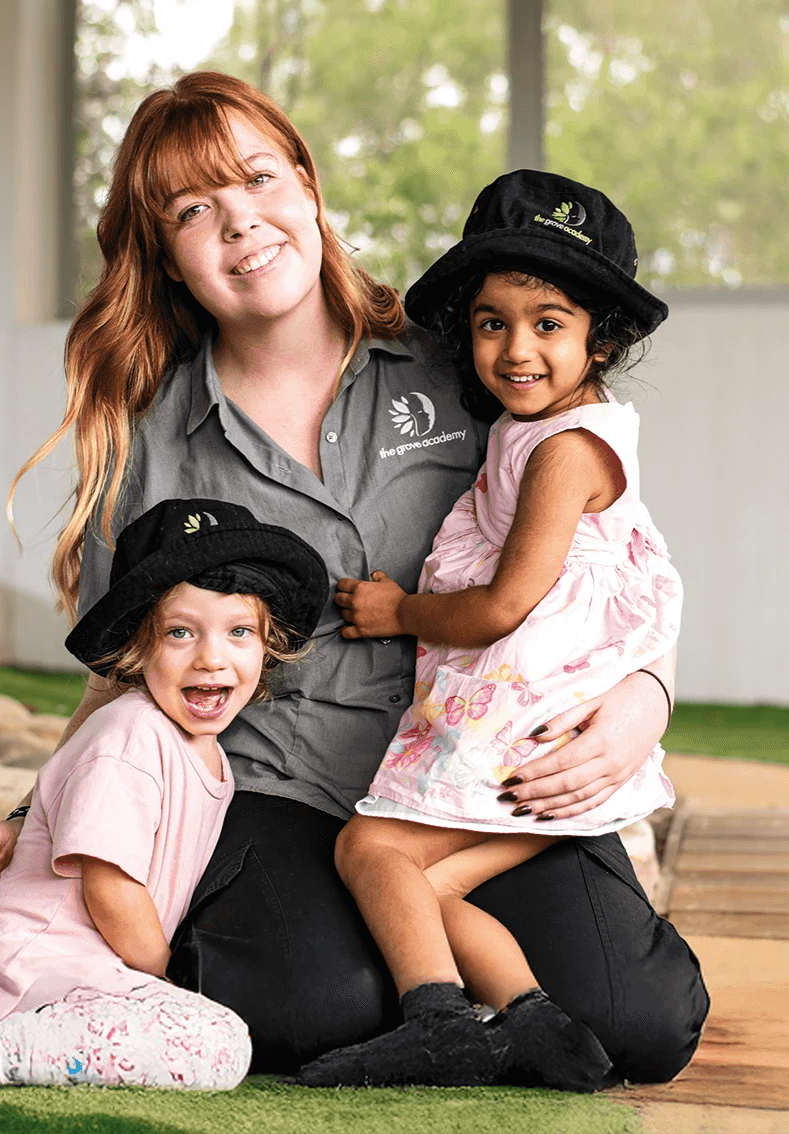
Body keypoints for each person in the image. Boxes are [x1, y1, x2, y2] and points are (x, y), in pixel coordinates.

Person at [0, 71, 706, 1080]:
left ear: (308, 187)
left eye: (259, 179)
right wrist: (31, 822)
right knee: (318, 1006)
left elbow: (614, 548)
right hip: (280, 785)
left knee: (640, 1022)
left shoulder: (466, 358)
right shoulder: (151, 446)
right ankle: (404, 994)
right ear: (167, 257)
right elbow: (119, 672)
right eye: (193, 211)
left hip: (475, 767)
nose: (240, 225)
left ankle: (456, 990)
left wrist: (644, 699)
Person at [290, 171, 680, 1091]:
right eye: (491, 322)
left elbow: (505, 604)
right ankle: (532, 1024)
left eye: (549, 323)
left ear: (602, 338)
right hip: (529, 728)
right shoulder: (535, 430)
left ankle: (434, 1020)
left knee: (367, 849)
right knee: (421, 889)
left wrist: (398, 613)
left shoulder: (565, 449)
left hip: (520, 726)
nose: (516, 349)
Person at [0, 498, 326, 1109]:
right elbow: (109, 885)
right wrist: (160, 976)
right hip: (49, 964)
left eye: (238, 632)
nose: (212, 656)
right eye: (181, 632)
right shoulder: (130, 736)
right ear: (137, 648)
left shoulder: (200, 749)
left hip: (72, 969)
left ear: (268, 645)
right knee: (220, 1043)